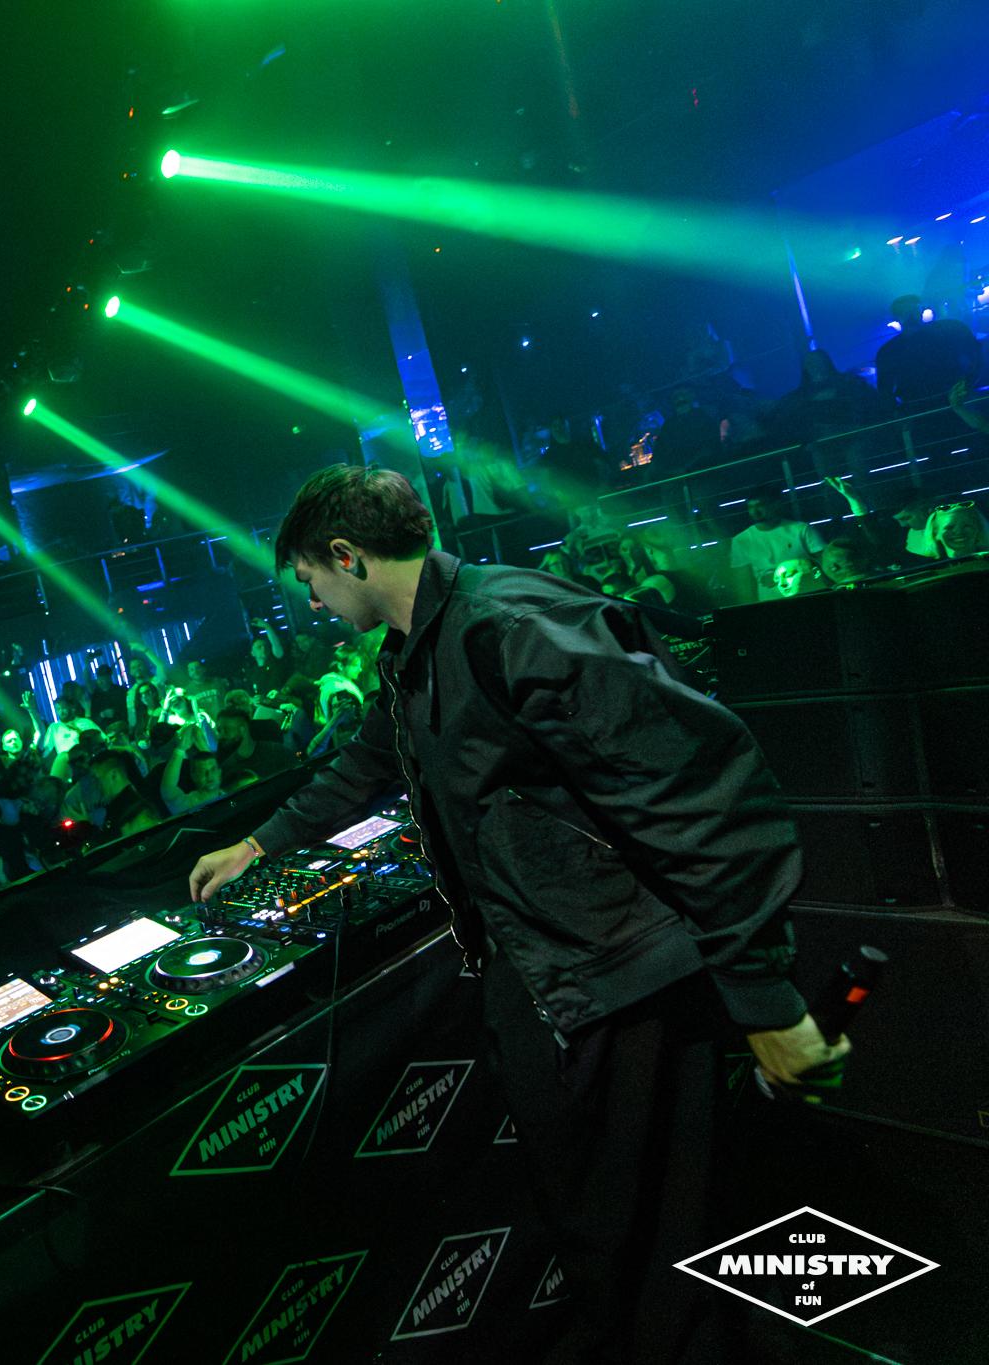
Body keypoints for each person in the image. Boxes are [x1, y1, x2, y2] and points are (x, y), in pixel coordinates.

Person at [188, 465, 845, 1365]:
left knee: (657, 1226)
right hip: (547, 970)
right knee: (595, 1217)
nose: (310, 602)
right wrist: (259, 843)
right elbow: (369, 758)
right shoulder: (412, 647)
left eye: (308, 578)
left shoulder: (512, 626)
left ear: (346, 555)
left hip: (621, 971)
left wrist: (764, 997)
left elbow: (704, 796)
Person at [874, 295, 980, 408]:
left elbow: (977, 358)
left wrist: (968, 383)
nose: (910, 316)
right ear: (896, 316)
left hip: (952, 401)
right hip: (929, 406)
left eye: (914, 310)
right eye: (904, 312)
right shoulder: (888, 351)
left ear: (921, 310)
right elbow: (885, 390)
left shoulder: (888, 351)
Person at [727, 491, 825, 599]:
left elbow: (824, 561)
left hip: (808, 596)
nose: (755, 511)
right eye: (751, 507)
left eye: (760, 505)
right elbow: (743, 581)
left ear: (775, 505)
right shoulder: (741, 540)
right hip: (770, 601)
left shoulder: (801, 529)